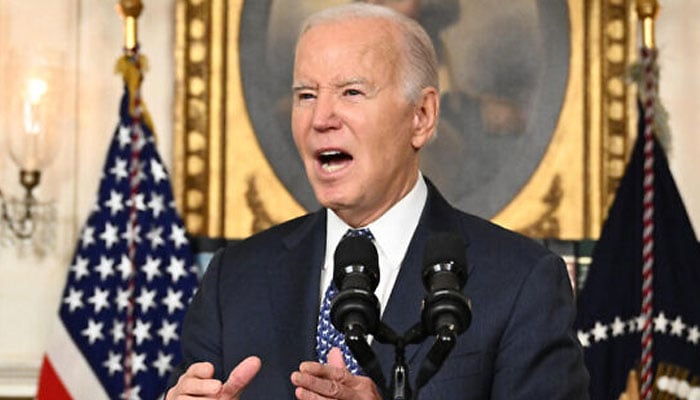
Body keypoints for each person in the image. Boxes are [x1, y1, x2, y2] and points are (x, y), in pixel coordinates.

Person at [165, 3, 589, 399]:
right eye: (305, 95)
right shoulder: (234, 280)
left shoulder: (522, 282)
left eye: (351, 92)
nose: (321, 119)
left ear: (422, 116)